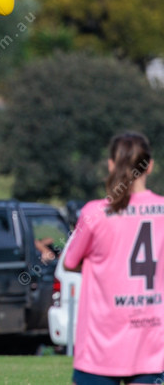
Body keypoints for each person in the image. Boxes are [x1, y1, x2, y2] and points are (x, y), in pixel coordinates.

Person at [64, 132, 164, 385]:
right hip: (150, 343)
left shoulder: (95, 213)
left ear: (111, 165)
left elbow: (70, 262)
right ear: (150, 166)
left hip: (100, 345)